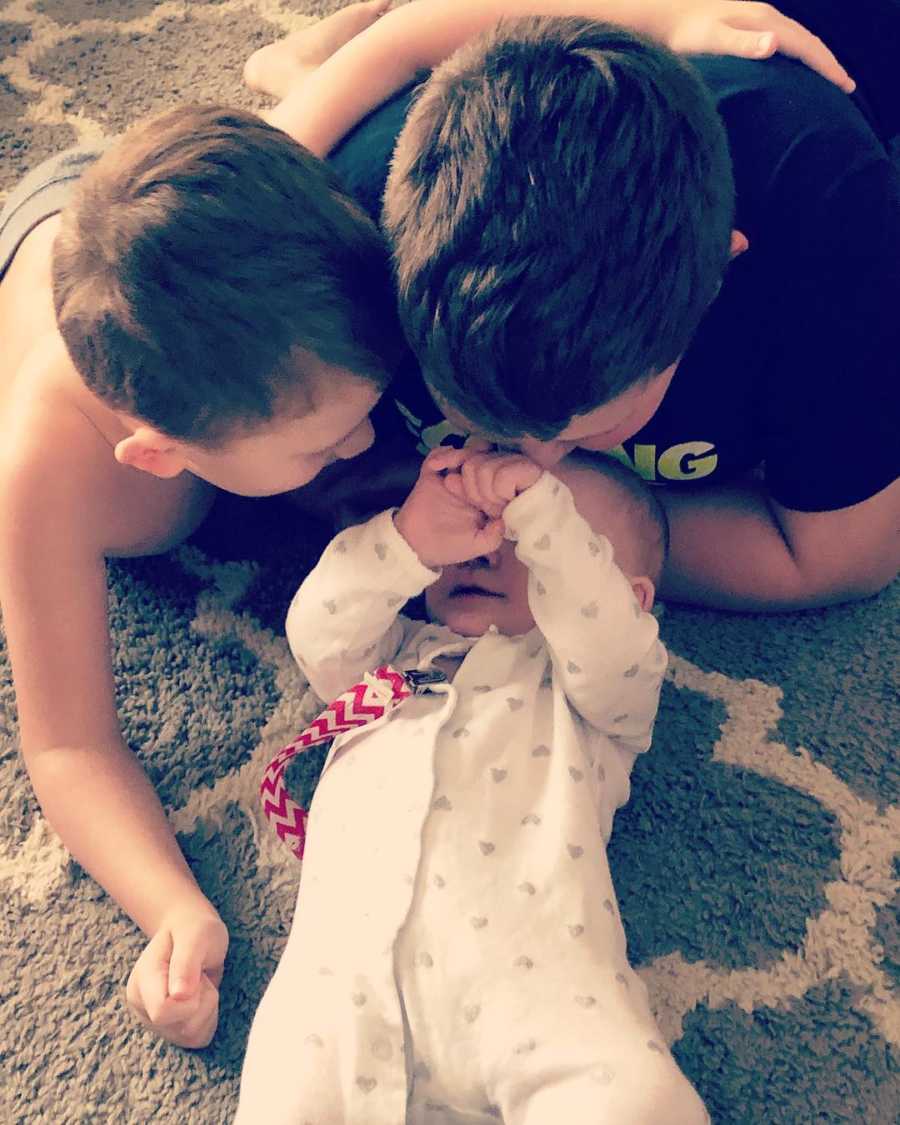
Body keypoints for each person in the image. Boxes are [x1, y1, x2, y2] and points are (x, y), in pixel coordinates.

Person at [0, 0, 854, 1050]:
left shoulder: (311, 249)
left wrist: (661, 19)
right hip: (55, 229)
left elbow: (412, 43)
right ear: (164, 453)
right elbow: (69, 745)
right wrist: (173, 908)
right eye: (327, 449)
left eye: (376, 411)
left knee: (318, 98)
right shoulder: (59, 467)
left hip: (178, 206)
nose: (376, 451)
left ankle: (296, 59)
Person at [252, 0, 899, 611]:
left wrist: (578, 530)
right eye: (480, 415)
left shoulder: (828, 215)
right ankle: (310, 66)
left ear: (717, 276)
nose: (530, 464)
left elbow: (840, 558)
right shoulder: (351, 217)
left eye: (586, 431)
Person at [237, 446, 705, 1124]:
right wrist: (409, 538)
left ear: (628, 599)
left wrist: (545, 515)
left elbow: (610, 642)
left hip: (541, 995)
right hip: (337, 1002)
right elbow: (316, 626)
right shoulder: (387, 655)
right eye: (480, 529)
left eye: (534, 547)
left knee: (637, 1101)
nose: (487, 552)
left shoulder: (599, 695)